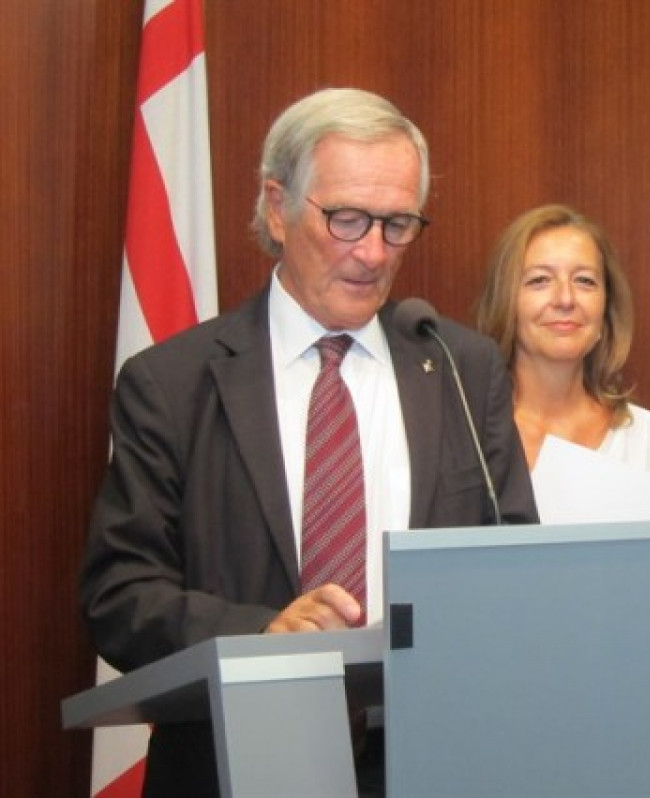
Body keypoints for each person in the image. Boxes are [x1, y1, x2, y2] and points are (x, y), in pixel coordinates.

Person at [79, 88, 538, 797]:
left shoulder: (458, 366)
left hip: (434, 762)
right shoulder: (171, 383)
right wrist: (263, 634)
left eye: (397, 224)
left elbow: (515, 569)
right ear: (277, 207)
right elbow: (119, 595)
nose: (373, 252)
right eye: (347, 219)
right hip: (234, 762)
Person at [475, 203, 650, 479]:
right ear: (504, 300)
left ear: (607, 306)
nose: (565, 299)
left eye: (584, 281)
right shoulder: (466, 432)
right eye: (540, 280)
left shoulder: (648, 438)